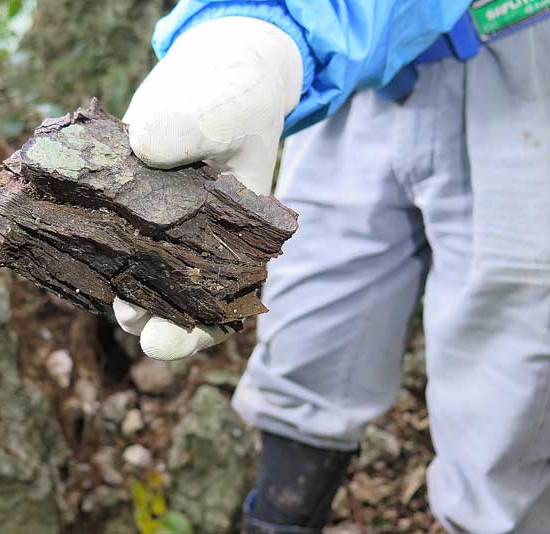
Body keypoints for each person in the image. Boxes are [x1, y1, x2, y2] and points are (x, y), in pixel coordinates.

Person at [112, 2, 550, 533]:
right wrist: (249, 25)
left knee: (512, 380)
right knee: (311, 332)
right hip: (354, 86)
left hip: (523, 49)